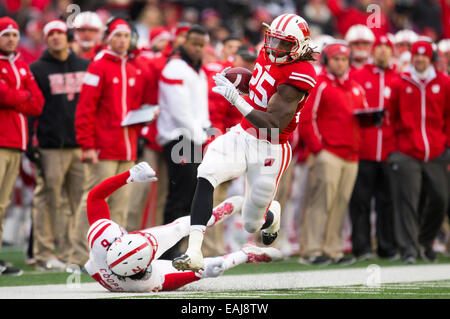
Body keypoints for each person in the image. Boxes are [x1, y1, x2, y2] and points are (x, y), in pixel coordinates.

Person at [172, 14, 317, 272]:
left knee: (252, 223)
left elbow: (273, 123)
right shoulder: (268, 53)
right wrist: (240, 82)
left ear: (300, 46)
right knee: (206, 172)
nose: (275, 48)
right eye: (273, 39)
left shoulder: (300, 73)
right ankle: (194, 251)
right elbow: (261, 85)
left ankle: (270, 214)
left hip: (271, 145)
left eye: (283, 44)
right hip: (243, 133)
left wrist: (236, 100)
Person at [85, 162, 283, 292]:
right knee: (209, 267)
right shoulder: (146, 281)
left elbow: (95, 197)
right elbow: (196, 272)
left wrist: (130, 175)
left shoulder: (102, 238)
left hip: (128, 252)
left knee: (183, 226)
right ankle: (247, 254)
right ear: (145, 268)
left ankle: (212, 215)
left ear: (116, 242)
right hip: (140, 272)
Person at [69, 17, 144, 269]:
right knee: (91, 200)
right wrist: (87, 144)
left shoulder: (132, 68)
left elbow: (131, 109)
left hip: (126, 146)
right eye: (117, 36)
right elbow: (85, 109)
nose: (122, 41)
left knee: (121, 203)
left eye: (125, 36)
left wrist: (144, 117)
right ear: (108, 38)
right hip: (103, 147)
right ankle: (79, 255)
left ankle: (115, 254)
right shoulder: (98, 67)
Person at [27, 19, 90, 271]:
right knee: (48, 199)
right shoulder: (37, 69)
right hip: (51, 145)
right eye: (50, 33)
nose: (55, 37)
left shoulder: (86, 66)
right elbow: (31, 109)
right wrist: (32, 141)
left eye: (59, 33)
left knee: (79, 201)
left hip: (80, 144)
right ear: (45, 38)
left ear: (68, 37)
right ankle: (43, 254)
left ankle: (76, 254)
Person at [298, 41, 368, 266]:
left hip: (351, 154)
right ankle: (312, 249)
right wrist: (318, 148)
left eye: (344, 59)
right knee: (321, 202)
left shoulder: (355, 87)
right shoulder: (320, 84)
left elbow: (361, 116)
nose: (340, 63)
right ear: (327, 61)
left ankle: (333, 250)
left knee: (340, 203)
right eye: (336, 58)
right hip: (329, 152)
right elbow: (308, 117)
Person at [386, 40, 450, 264]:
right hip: (406, 151)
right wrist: (394, 149)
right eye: (416, 55)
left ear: (431, 58)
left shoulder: (443, 82)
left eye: (424, 56)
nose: (420, 59)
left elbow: (448, 116)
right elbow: (389, 118)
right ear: (412, 57)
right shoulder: (399, 83)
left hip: (436, 150)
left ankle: (425, 241)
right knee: (408, 201)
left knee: (441, 199)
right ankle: (409, 249)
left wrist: (447, 144)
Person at [156, 25, 211, 259]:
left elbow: (201, 109)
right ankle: (168, 248)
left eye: (202, 45)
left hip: (194, 137)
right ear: (184, 42)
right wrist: (201, 138)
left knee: (190, 195)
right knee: (180, 194)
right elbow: (180, 112)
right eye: (194, 44)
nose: (198, 49)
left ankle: (182, 246)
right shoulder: (175, 68)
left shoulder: (197, 70)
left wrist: (204, 135)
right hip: (180, 137)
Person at [0, 16, 44, 275]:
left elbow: (37, 103)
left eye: (14, 35)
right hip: (2, 141)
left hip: (16, 142)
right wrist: (21, 96)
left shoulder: (21, 65)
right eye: (5, 34)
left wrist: (16, 97)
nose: (11, 39)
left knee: (3, 204)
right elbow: (3, 95)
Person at [349, 34, 399, 261]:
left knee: (386, 202)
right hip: (364, 148)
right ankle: (362, 247)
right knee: (360, 200)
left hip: (389, 150)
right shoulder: (358, 76)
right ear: (373, 51)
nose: (381, 51)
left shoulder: (399, 78)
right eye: (378, 47)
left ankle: (386, 247)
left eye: (386, 47)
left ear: (392, 52)